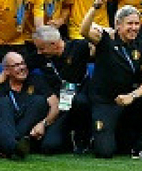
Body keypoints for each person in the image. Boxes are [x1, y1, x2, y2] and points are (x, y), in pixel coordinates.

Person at [81, 0, 142, 159]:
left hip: (129, 101)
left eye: (137, 23)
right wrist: (95, 7)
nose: (134, 28)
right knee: (105, 152)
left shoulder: (140, 46)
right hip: (106, 102)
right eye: (130, 24)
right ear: (118, 25)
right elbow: (84, 30)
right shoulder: (105, 40)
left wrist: (132, 96)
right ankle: (94, 137)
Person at [25, 25, 93, 154]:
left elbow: (102, 43)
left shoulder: (78, 47)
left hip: (82, 102)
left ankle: (84, 138)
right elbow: (17, 65)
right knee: (49, 147)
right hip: (60, 106)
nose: (39, 52)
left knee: (80, 101)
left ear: (54, 44)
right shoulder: (41, 57)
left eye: (41, 48)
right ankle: (66, 138)